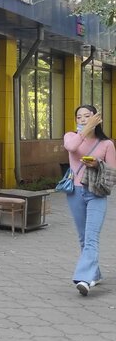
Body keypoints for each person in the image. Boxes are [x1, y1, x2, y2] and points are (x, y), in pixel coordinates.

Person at [63, 104, 116, 296]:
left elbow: (113, 172)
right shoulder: (71, 136)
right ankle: (95, 273)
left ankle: (84, 279)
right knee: (83, 237)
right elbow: (71, 147)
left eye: (87, 116)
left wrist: (97, 164)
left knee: (91, 237)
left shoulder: (107, 144)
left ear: (97, 119)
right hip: (75, 192)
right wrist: (85, 130)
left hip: (97, 193)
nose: (82, 119)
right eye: (79, 117)